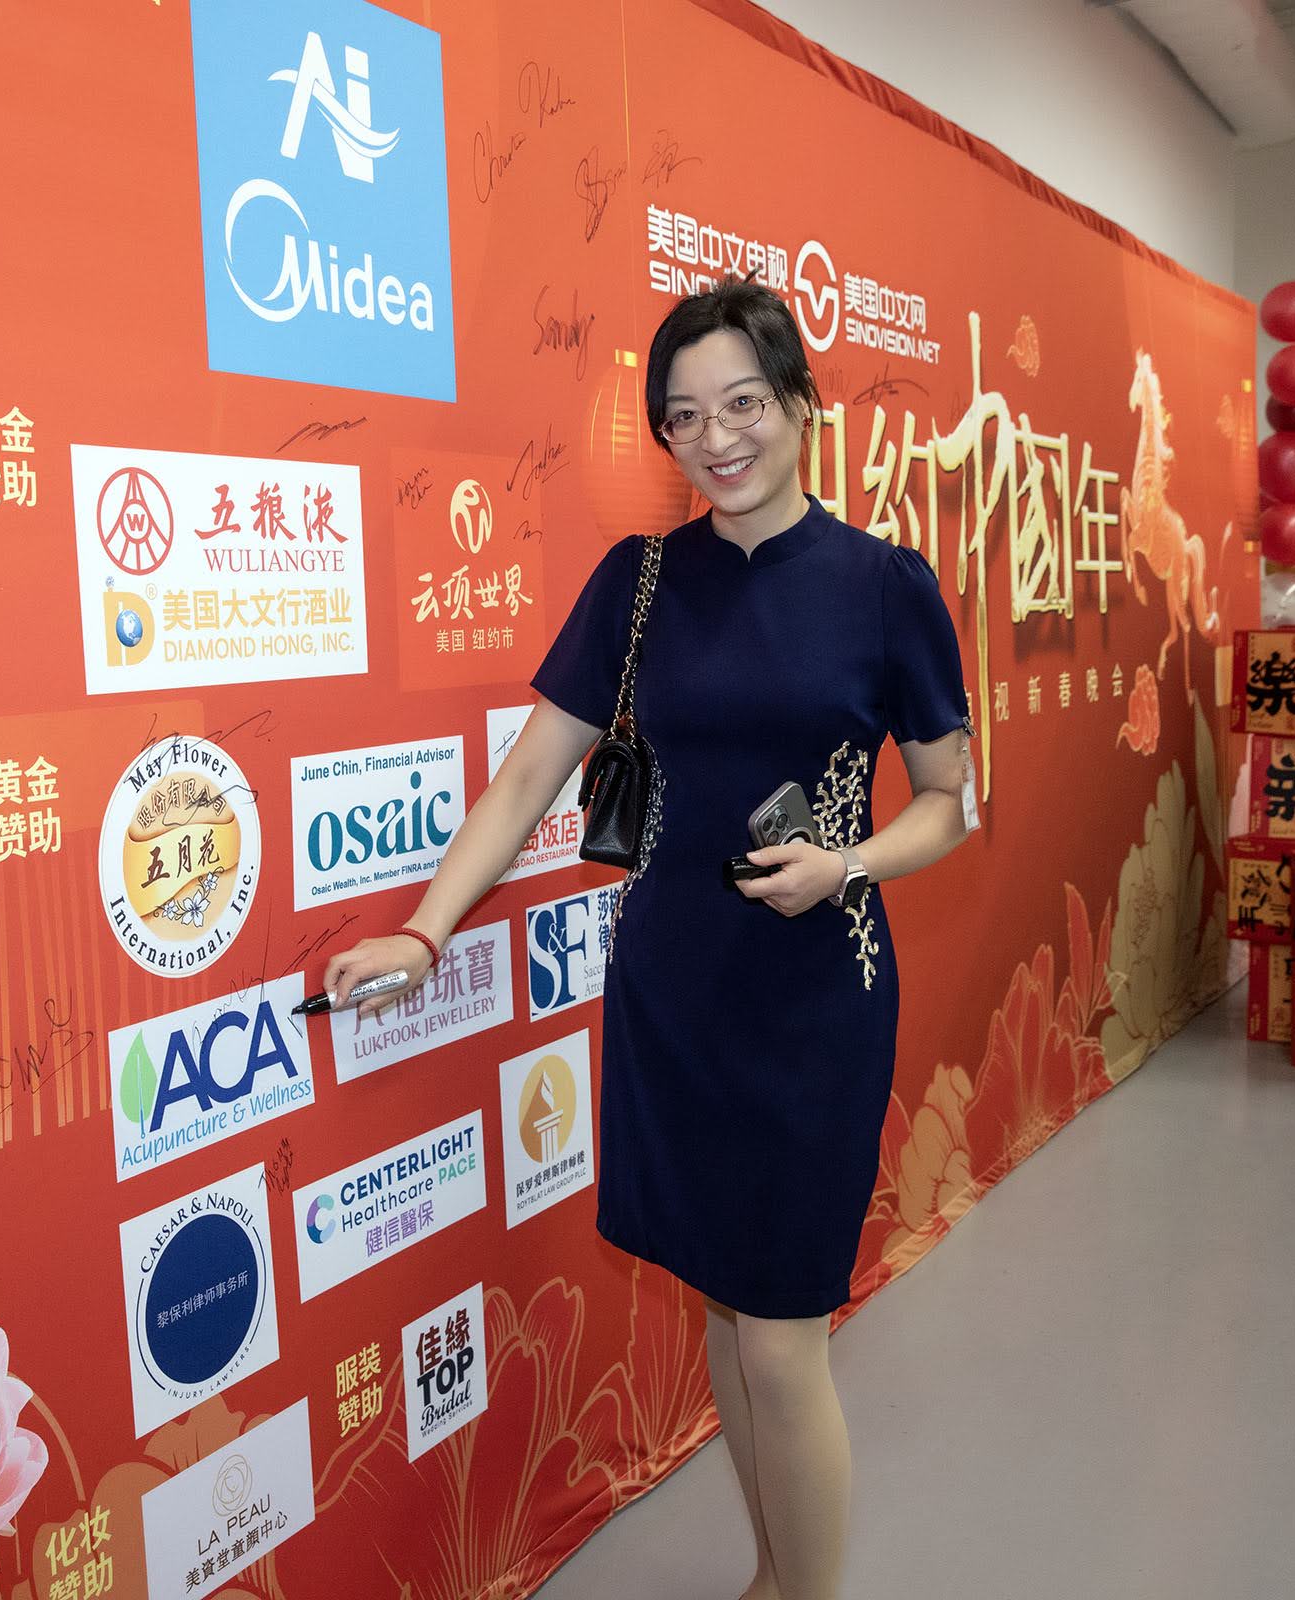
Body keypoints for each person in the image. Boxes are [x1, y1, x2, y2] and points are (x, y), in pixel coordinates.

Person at [321, 278, 971, 1600]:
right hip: (677, 994)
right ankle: (772, 1571)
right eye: (685, 415)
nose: (717, 438)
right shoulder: (641, 580)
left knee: (783, 1337)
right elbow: (528, 777)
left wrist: (847, 862)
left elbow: (951, 801)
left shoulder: (882, 585)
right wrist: (425, 934)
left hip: (815, 1002)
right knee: (727, 1309)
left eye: (744, 403)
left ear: (801, 405)